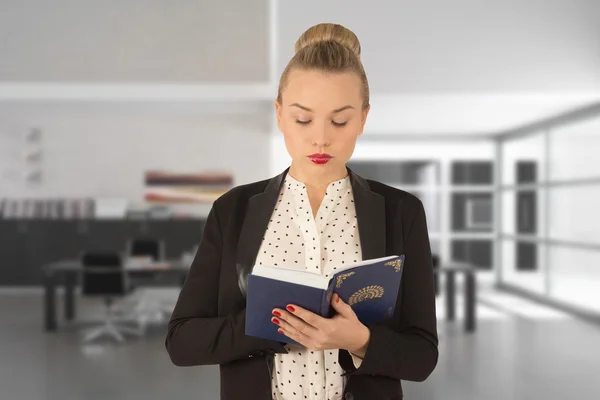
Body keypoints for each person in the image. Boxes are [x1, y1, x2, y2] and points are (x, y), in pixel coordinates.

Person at [165, 22, 438, 400]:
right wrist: (268, 323)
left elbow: (422, 356)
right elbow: (181, 341)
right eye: (303, 119)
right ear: (279, 115)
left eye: (340, 120)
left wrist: (360, 341)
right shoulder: (233, 211)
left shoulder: (401, 211)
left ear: (363, 117)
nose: (321, 137)